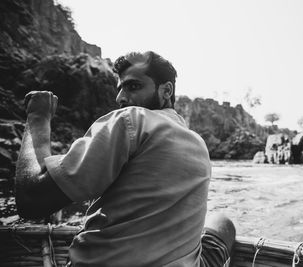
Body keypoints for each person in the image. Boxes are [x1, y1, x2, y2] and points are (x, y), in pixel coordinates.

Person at [15, 51, 235, 266]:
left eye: (133, 86)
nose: (120, 97)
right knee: (223, 222)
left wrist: (38, 117)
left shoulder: (130, 119)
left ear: (166, 90)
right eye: (119, 88)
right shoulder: (198, 143)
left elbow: (31, 200)